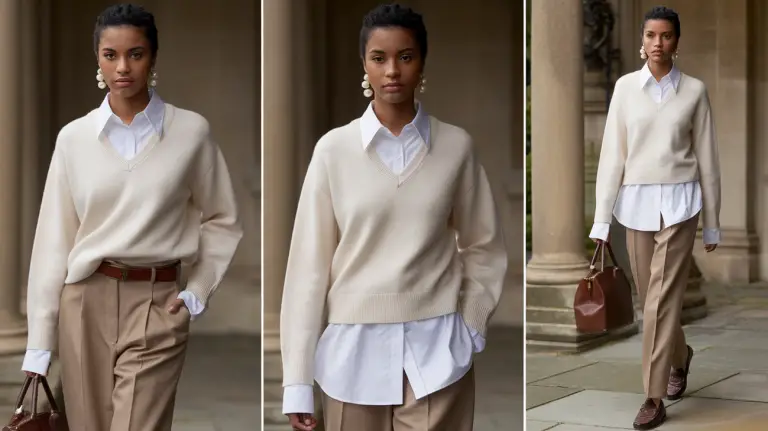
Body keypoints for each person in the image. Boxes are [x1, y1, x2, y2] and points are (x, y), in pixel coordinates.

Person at [279, 3, 508, 431]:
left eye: (405, 57)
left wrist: (470, 324)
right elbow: (307, 271)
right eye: (378, 58)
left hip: (439, 353)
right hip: (350, 358)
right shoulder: (333, 151)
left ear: (422, 63)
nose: (392, 72)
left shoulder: (457, 147)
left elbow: (484, 246)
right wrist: (297, 380)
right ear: (363, 65)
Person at [21, 4, 242, 430]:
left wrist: (196, 291)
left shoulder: (191, 132)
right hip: (84, 302)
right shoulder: (74, 138)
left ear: (153, 57)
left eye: (135, 54)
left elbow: (223, 218)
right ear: (98, 59)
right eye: (110, 55)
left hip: (158, 302)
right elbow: (53, 242)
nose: (122, 67)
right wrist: (39, 345)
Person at [590, 6, 720, 430]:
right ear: (642, 41)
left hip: (681, 206)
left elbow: (708, 159)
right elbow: (613, 156)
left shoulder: (695, 91)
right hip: (636, 207)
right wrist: (601, 221)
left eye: (666, 36)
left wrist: (713, 222)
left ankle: (652, 395)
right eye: (651, 35)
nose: (658, 43)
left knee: (660, 302)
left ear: (676, 42)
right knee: (652, 300)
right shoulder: (626, 89)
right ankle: (681, 356)